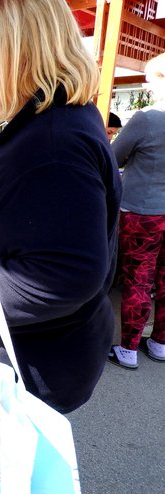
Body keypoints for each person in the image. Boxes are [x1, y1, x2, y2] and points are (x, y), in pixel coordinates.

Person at [0, 0, 122, 413]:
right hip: (40, 358)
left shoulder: (53, 143)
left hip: (23, 374)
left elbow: (60, 277)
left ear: (22, 54)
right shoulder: (57, 122)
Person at [108, 52, 165, 369]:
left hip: (142, 212)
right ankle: (159, 344)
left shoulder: (146, 119)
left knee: (138, 281)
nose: (146, 84)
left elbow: (114, 157)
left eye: (150, 78)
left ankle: (128, 348)